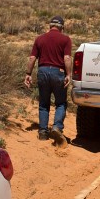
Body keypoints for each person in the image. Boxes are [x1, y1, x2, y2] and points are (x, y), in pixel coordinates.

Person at [24, 16, 72, 146]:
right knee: (61, 103)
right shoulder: (65, 39)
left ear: (50, 26)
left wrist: (28, 74)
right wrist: (69, 74)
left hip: (43, 72)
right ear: (62, 27)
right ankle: (57, 128)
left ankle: (43, 133)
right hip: (59, 73)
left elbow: (32, 58)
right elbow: (67, 58)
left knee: (44, 104)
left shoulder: (39, 39)